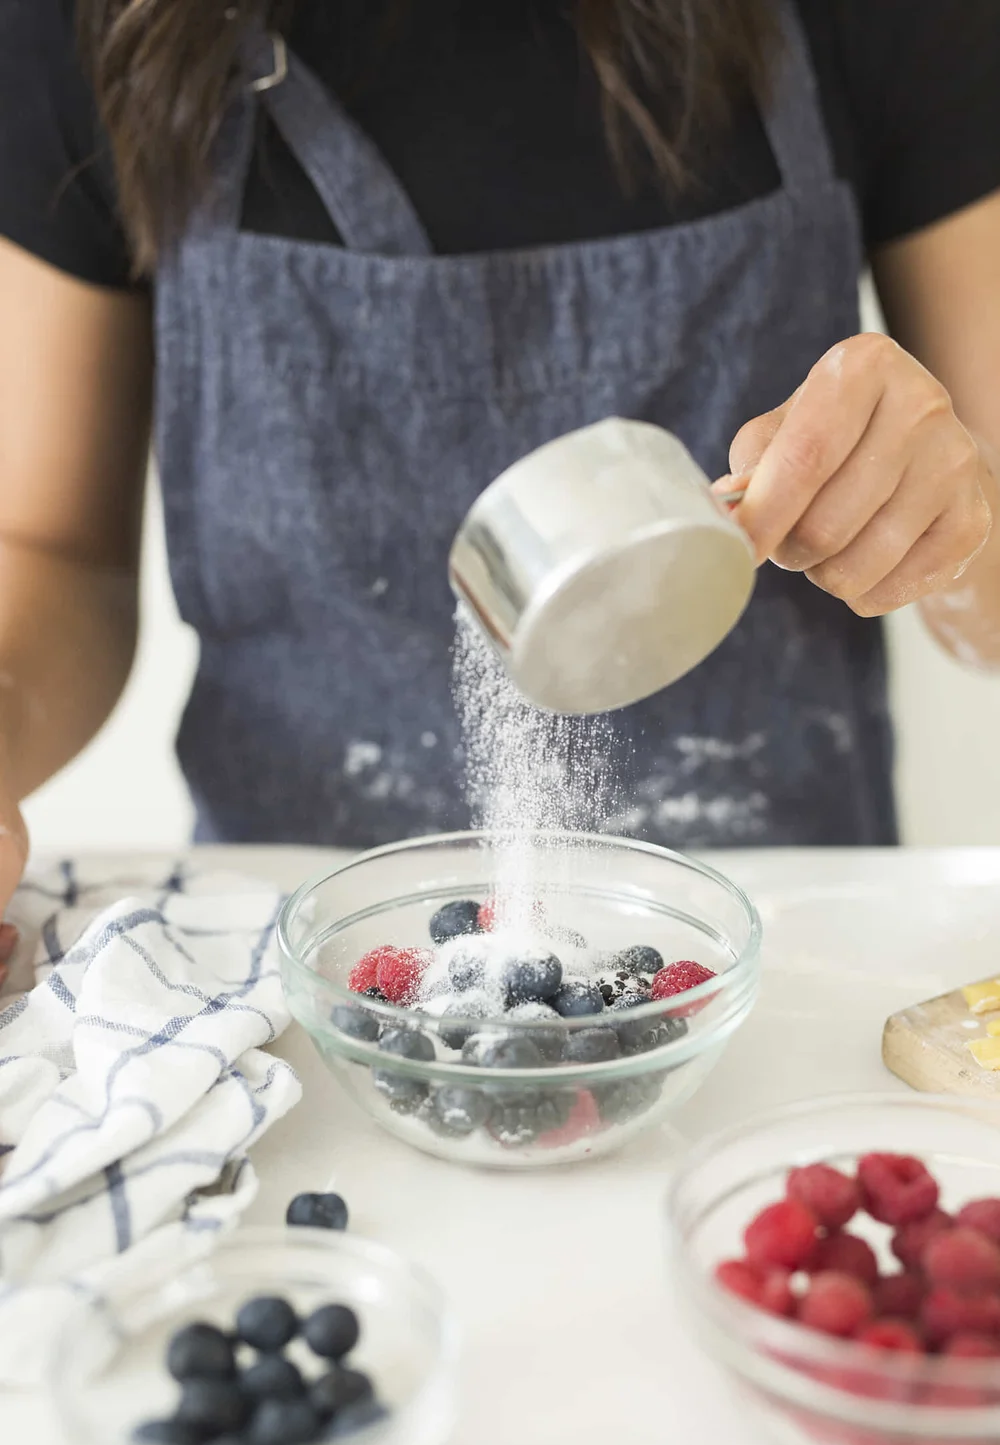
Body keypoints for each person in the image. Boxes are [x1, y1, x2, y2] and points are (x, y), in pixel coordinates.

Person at [1, 0, 999, 907]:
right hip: (289, 958)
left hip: (786, 944)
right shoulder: (85, 22)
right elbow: (49, 548)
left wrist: (955, 526)